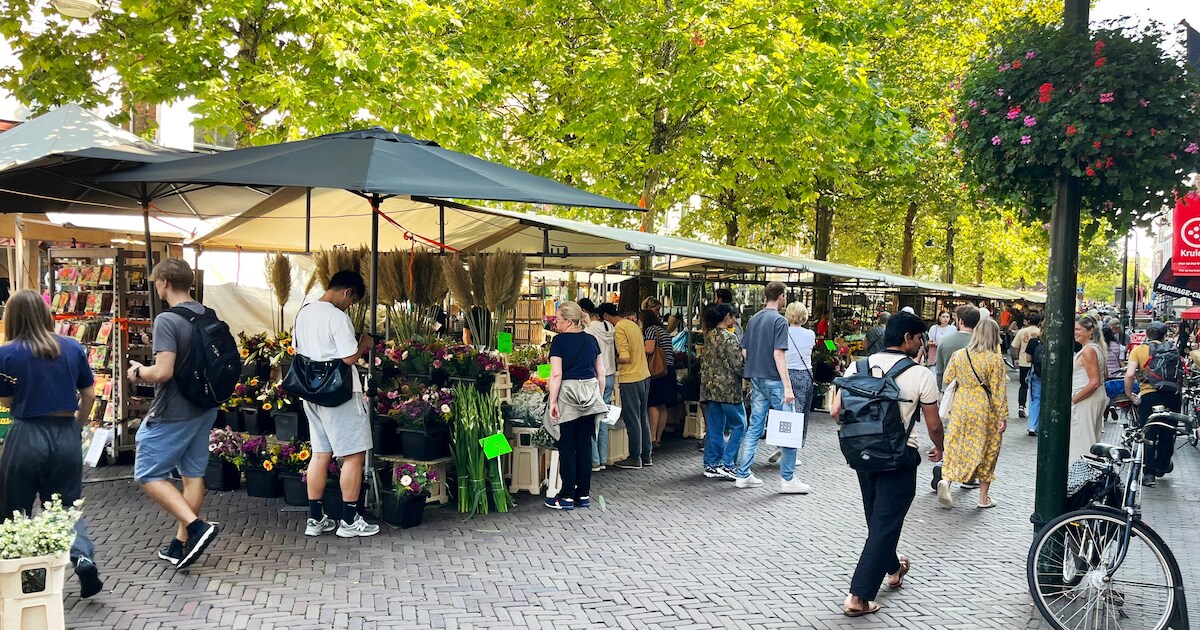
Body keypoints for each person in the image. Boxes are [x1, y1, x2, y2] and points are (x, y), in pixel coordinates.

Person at [832, 311, 945, 618]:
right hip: (899, 457)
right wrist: (940, 447)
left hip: (863, 455)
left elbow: (835, 410)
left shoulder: (859, 365)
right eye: (920, 338)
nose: (922, 344)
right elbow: (934, 424)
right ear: (907, 338)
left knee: (879, 520)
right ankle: (858, 597)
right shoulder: (921, 374)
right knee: (884, 523)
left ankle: (894, 567)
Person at [0, 289, 103, 597]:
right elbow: (90, 394)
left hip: (27, 433)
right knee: (65, 509)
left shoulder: (7, 353)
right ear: (46, 316)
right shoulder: (72, 347)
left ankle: (27, 580)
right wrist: (77, 426)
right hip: (65, 433)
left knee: (14, 511)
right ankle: (83, 557)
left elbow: (5, 399)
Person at [127, 259, 220, 569]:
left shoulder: (167, 319)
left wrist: (138, 371)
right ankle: (180, 545)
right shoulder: (207, 314)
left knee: (148, 473)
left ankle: (197, 527)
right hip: (204, 406)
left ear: (164, 282)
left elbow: (164, 372)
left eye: (156, 281)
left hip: (174, 410)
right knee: (192, 475)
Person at [293, 270, 379, 537]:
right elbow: (349, 357)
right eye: (351, 301)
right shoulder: (337, 317)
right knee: (354, 455)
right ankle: (350, 520)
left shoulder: (304, 312)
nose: (349, 306)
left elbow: (298, 348)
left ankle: (315, 518)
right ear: (347, 293)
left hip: (311, 393)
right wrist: (364, 342)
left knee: (320, 455)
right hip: (339, 395)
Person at [734, 281, 808, 493]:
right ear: (782, 297)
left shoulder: (754, 319)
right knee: (789, 428)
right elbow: (779, 353)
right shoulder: (779, 321)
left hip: (756, 378)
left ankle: (743, 474)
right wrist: (787, 386)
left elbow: (745, 351)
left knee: (755, 425)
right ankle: (788, 479)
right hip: (774, 380)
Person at [936, 319, 1009, 509]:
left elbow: (947, 377)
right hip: (985, 409)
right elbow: (999, 390)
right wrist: (1002, 416)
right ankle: (983, 498)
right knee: (988, 449)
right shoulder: (994, 359)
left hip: (961, 406)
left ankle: (947, 480)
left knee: (956, 443)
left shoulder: (960, 355)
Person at [545, 302, 608, 509]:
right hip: (589, 394)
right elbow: (601, 373)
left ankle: (566, 496)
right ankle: (583, 495)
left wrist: (553, 401)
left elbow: (556, 374)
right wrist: (597, 396)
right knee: (584, 445)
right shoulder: (591, 340)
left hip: (567, 396)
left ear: (569, 321)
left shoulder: (559, 342)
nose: (555, 323)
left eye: (558, 320)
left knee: (566, 445)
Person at [1124, 321, 1182, 487]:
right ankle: (1161, 466)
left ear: (1147, 335)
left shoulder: (1139, 351)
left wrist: (1130, 394)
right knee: (1168, 432)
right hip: (1172, 395)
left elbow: (1129, 375)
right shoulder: (1173, 349)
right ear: (1164, 336)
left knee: (1148, 434)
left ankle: (1148, 474)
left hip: (1150, 395)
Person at [601, 303, 652, 469]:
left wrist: (611, 359)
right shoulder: (632, 324)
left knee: (632, 418)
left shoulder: (620, 329)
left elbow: (625, 357)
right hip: (644, 375)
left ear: (606, 316)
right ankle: (646, 455)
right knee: (642, 416)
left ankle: (634, 457)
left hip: (630, 378)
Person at [700, 304, 746, 480]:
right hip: (728, 390)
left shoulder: (709, 335)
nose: (734, 320)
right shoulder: (730, 338)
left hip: (709, 389)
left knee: (714, 427)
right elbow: (737, 365)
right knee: (740, 425)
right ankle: (728, 463)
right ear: (727, 316)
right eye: (733, 316)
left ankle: (711, 464)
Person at [579, 298, 616, 472]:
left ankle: (594, 460)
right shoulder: (609, 326)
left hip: (596, 377)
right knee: (603, 419)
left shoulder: (589, 331)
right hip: (610, 376)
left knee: (591, 418)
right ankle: (602, 458)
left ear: (584, 311)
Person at [1070, 315, 1107, 461]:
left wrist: (1073, 400)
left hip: (1086, 399)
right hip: (1093, 397)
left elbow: (1094, 382)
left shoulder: (1088, 351)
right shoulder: (1097, 348)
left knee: (1083, 441)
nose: (1075, 332)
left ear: (1090, 331)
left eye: (1078, 329)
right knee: (1089, 437)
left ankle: (1085, 477)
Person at [641, 309, 676, 449]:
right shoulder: (663, 331)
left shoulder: (650, 330)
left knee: (653, 404)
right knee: (662, 406)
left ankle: (652, 437)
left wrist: (637, 348)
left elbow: (649, 349)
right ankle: (659, 437)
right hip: (669, 369)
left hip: (657, 370)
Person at [935, 305, 980, 391]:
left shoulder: (945, 341)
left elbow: (939, 371)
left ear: (961, 321)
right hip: (976, 393)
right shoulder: (982, 343)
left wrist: (940, 389)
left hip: (949, 390)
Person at [1012, 313, 1043, 418]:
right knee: (1037, 387)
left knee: (1023, 385)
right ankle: (1035, 408)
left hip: (1024, 361)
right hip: (1038, 363)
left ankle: (1021, 406)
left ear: (1028, 322)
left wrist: (1016, 358)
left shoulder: (1022, 331)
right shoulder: (1040, 332)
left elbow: (1015, 346)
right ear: (1039, 322)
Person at [1024, 318, 1046, 436]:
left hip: (1036, 373)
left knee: (1035, 399)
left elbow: (1028, 359)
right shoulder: (1056, 342)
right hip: (1051, 376)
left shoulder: (1033, 341)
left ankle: (1032, 426)